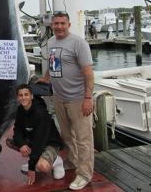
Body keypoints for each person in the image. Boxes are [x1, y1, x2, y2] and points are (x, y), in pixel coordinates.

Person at [39, 11, 94, 190]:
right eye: (56, 23)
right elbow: (53, 64)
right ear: (52, 25)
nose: (59, 26)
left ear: (69, 24)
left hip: (77, 99)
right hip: (59, 97)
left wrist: (88, 98)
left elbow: (88, 73)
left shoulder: (78, 43)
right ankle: (72, 161)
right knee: (67, 135)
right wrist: (45, 78)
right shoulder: (51, 42)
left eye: (63, 23)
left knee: (83, 139)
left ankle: (85, 174)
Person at [6, 84, 65, 185]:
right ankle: (38, 159)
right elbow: (17, 130)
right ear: (17, 97)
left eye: (26, 94)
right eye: (21, 95)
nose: (23, 97)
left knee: (42, 167)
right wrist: (22, 144)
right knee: (10, 141)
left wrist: (31, 167)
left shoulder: (40, 113)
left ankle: (56, 161)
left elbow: (40, 141)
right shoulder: (20, 110)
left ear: (32, 96)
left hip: (50, 143)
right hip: (35, 141)